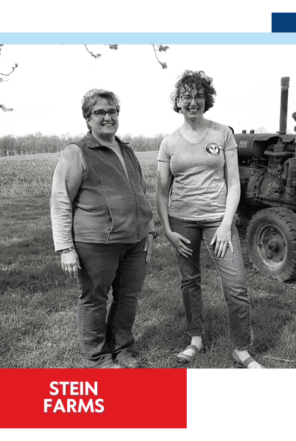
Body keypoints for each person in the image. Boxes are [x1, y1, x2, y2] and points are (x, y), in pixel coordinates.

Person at [156, 71, 263, 369]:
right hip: (182, 222)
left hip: (218, 220)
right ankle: (195, 339)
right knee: (190, 280)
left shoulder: (222, 134)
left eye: (199, 96)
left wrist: (227, 223)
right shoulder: (169, 143)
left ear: (207, 100)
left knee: (236, 284)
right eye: (186, 97)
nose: (193, 102)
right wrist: (166, 230)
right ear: (178, 102)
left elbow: (233, 183)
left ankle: (241, 349)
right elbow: (161, 192)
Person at [50, 89, 155, 369]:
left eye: (113, 111)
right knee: (94, 299)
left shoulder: (127, 150)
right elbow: (61, 199)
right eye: (100, 112)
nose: (108, 117)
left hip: (135, 241)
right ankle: (96, 357)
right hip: (95, 243)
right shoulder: (77, 152)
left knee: (128, 298)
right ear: (88, 118)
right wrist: (66, 248)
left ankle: (121, 349)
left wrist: (150, 231)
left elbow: (141, 193)